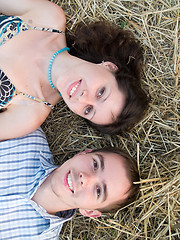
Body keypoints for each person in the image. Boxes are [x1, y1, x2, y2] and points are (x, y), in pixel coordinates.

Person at [0, 0, 149, 141]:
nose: (84, 98)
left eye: (88, 110)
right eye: (101, 92)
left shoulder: (29, 113)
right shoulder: (48, 19)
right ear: (109, 66)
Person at [0, 128, 139, 239]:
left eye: (98, 191)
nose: (86, 178)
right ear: (84, 153)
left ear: (89, 212)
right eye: (95, 164)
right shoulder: (27, 135)